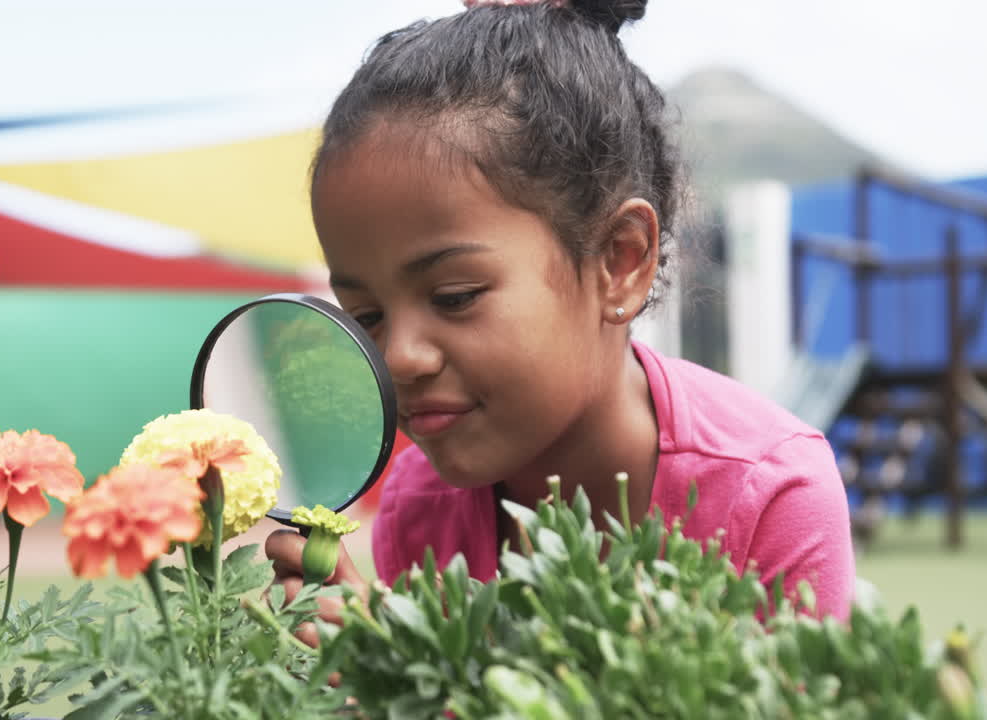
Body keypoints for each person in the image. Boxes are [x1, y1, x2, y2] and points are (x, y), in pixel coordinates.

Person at [266, 0, 855, 631]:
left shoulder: (768, 496)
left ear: (619, 260)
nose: (400, 356)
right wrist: (378, 666)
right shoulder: (421, 499)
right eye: (366, 314)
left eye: (455, 295)